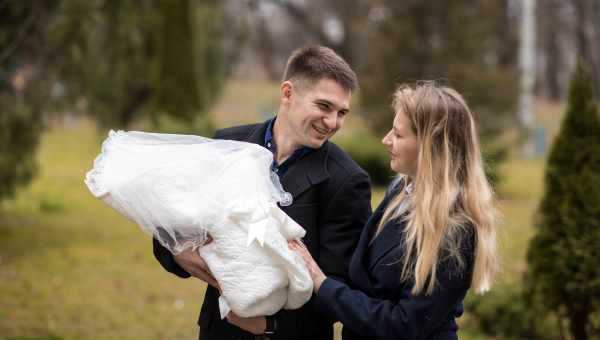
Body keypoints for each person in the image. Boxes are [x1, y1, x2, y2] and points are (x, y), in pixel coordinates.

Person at [153, 45, 372, 339]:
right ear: (287, 93)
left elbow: (339, 289)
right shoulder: (227, 144)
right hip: (219, 331)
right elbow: (175, 225)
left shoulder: (347, 181)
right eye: (324, 106)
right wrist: (175, 249)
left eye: (342, 112)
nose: (333, 123)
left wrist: (270, 327)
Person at [290, 82, 499, 340]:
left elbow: (403, 325)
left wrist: (322, 284)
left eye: (398, 135)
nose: (386, 140)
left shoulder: (457, 229)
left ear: (431, 146)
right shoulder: (400, 191)